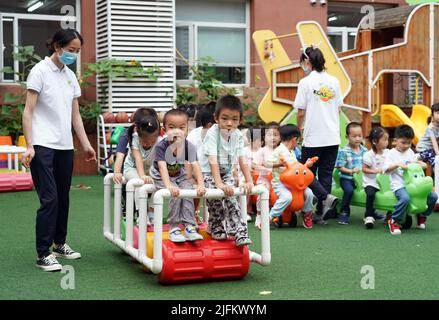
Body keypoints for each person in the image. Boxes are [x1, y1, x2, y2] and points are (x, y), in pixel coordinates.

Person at [22, 29, 96, 271]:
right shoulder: (39, 72)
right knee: (50, 199)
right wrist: (29, 145)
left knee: (63, 197)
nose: (73, 55)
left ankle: (59, 244)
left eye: (77, 51)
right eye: (70, 50)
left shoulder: (70, 76)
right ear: (57, 46)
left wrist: (85, 145)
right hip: (42, 145)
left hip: (65, 146)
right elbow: (29, 111)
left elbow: (75, 115)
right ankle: (42, 254)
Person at [199, 95, 254, 246]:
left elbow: (242, 159)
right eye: (225, 118)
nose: (229, 123)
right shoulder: (212, 133)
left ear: (240, 120)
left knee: (231, 198)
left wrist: (249, 180)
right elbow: (212, 160)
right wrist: (219, 184)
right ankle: (216, 225)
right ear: (216, 118)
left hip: (227, 172)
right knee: (215, 197)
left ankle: (239, 232)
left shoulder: (237, 135)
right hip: (209, 172)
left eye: (234, 119)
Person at [294, 46, 341, 224]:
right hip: (332, 136)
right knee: (326, 174)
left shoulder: (305, 82)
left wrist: (298, 131)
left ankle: (322, 199)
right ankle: (322, 212)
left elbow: (300, 111)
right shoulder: (334, 81)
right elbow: (338, 107)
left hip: (314, 136)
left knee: (306, 172)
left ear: (307, 61)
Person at [150, 109, 206, 242]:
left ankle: (189, 226)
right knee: (175, 193)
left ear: (187, 129)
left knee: (188, 192)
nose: (177, 131)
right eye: (172, 127)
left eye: (181, 127)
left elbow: (195, 165)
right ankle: (174, 227)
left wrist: (201, 184)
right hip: (160, 174)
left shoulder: (189, 146)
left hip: (178, 173)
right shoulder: (161, 146)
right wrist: (169, 185)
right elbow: (162, 167)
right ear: (164, 130)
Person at [383, 125, 438, 235]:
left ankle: (422, 214)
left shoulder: (410, 152)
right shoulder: (391, 153)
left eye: (409, 143)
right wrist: (397, 164)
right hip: (399, 185)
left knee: (433, 197)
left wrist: (420, 163)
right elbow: (385, 169)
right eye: (403, 142)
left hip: (414, 185)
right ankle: (394, 220)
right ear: (395, 141)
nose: (406, 145)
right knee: (405, 198)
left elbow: (416, 163)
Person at [267, 124, 315, 229]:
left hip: (294, 183)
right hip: (280, 183)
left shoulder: (292, 152)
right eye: (297, 141)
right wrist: (279, 164)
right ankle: (270, 217)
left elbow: (295, 169)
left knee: (310, 194)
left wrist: (306, 165)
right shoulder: (279, 151)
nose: (297, 144)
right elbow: (267, 163)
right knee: (287, 197)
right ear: (294, 140)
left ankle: (306, 214)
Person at [335, 122, 368, 225]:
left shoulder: (364, 150)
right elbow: (340, 167)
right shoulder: (344, 151)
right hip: (347, 178)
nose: (357, 139)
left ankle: (371, 212)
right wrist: (351, 171)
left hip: (361, 179)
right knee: (349, 191)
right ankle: (344, 212)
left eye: (360, 136)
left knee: (371, 189)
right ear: (347, 137)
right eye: (354, 136)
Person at [253, 122, 280, 229]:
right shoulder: (262, 151)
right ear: (264, 137)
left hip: (279, 180)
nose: (272, 138)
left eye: (276, 135)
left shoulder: (281, 150)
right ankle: (259, 215)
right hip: (264, 180)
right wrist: (266, 169)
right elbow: (254, 165)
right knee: (263, 193)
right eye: (269, 135)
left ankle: (279, 215)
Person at [362, 126, 389, 229]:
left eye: (387, 139)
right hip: (371, 181)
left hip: (385, 182)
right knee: (370, 194)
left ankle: (390, 215)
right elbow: (364, 169)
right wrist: (375, 171)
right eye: (384, 140)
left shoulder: (388, 153)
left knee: (393, 194)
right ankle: (368, 216)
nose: (387, 142)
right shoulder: (368, 155)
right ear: (374, 141)